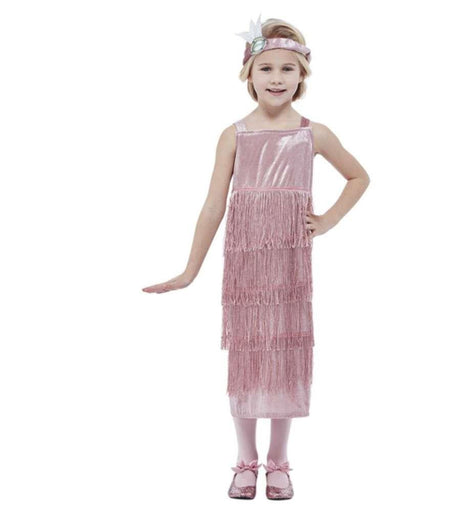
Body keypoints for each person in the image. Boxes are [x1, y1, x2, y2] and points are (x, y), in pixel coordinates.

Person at [142, 14, 370, 500]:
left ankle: (279, 461)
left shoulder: (314, 133)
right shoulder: (234, 135)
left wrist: (327, 220)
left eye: (288, 69)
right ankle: (245, 460)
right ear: (248, 73)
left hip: (289, 264)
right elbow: (213, 205)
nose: (277, 78)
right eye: (266, 68)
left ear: (302, 75)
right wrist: (189, 271)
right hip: (246, 265)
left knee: (285, 355)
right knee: (248, 357)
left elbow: (359, 177)